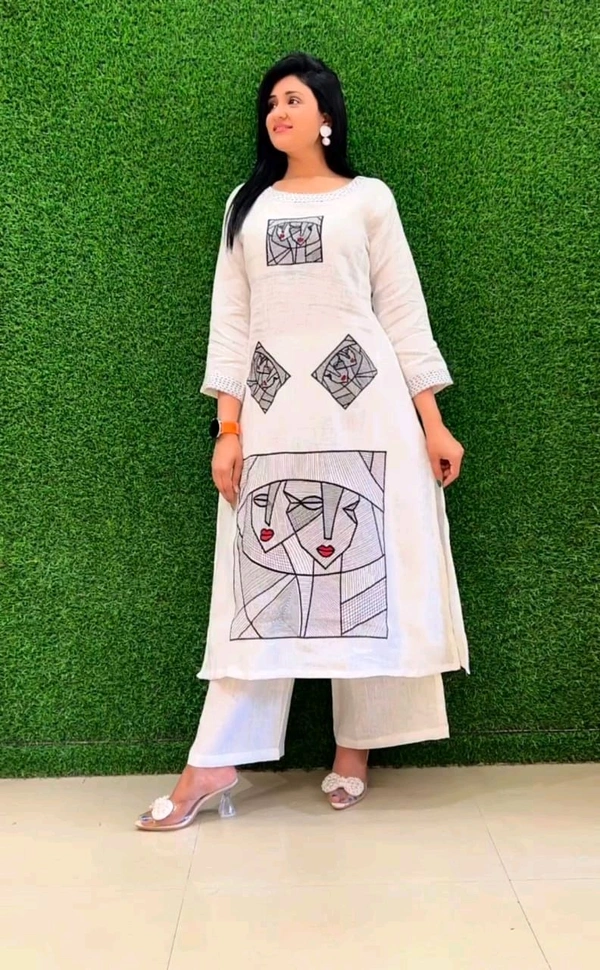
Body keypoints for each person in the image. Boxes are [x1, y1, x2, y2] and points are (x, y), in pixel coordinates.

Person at [136, 51, 469, 831]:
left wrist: (433, 422)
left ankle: (357, 747)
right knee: (261, 581)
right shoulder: (245, 206)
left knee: (369, 571)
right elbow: (231, 326)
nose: (277, 112)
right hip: (273, 410)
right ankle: (215, 759)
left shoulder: (369, 199)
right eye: (270, 103)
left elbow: (402, 311)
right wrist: (227, 428)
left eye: (292, 99)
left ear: (325, 116)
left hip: (367, 409)